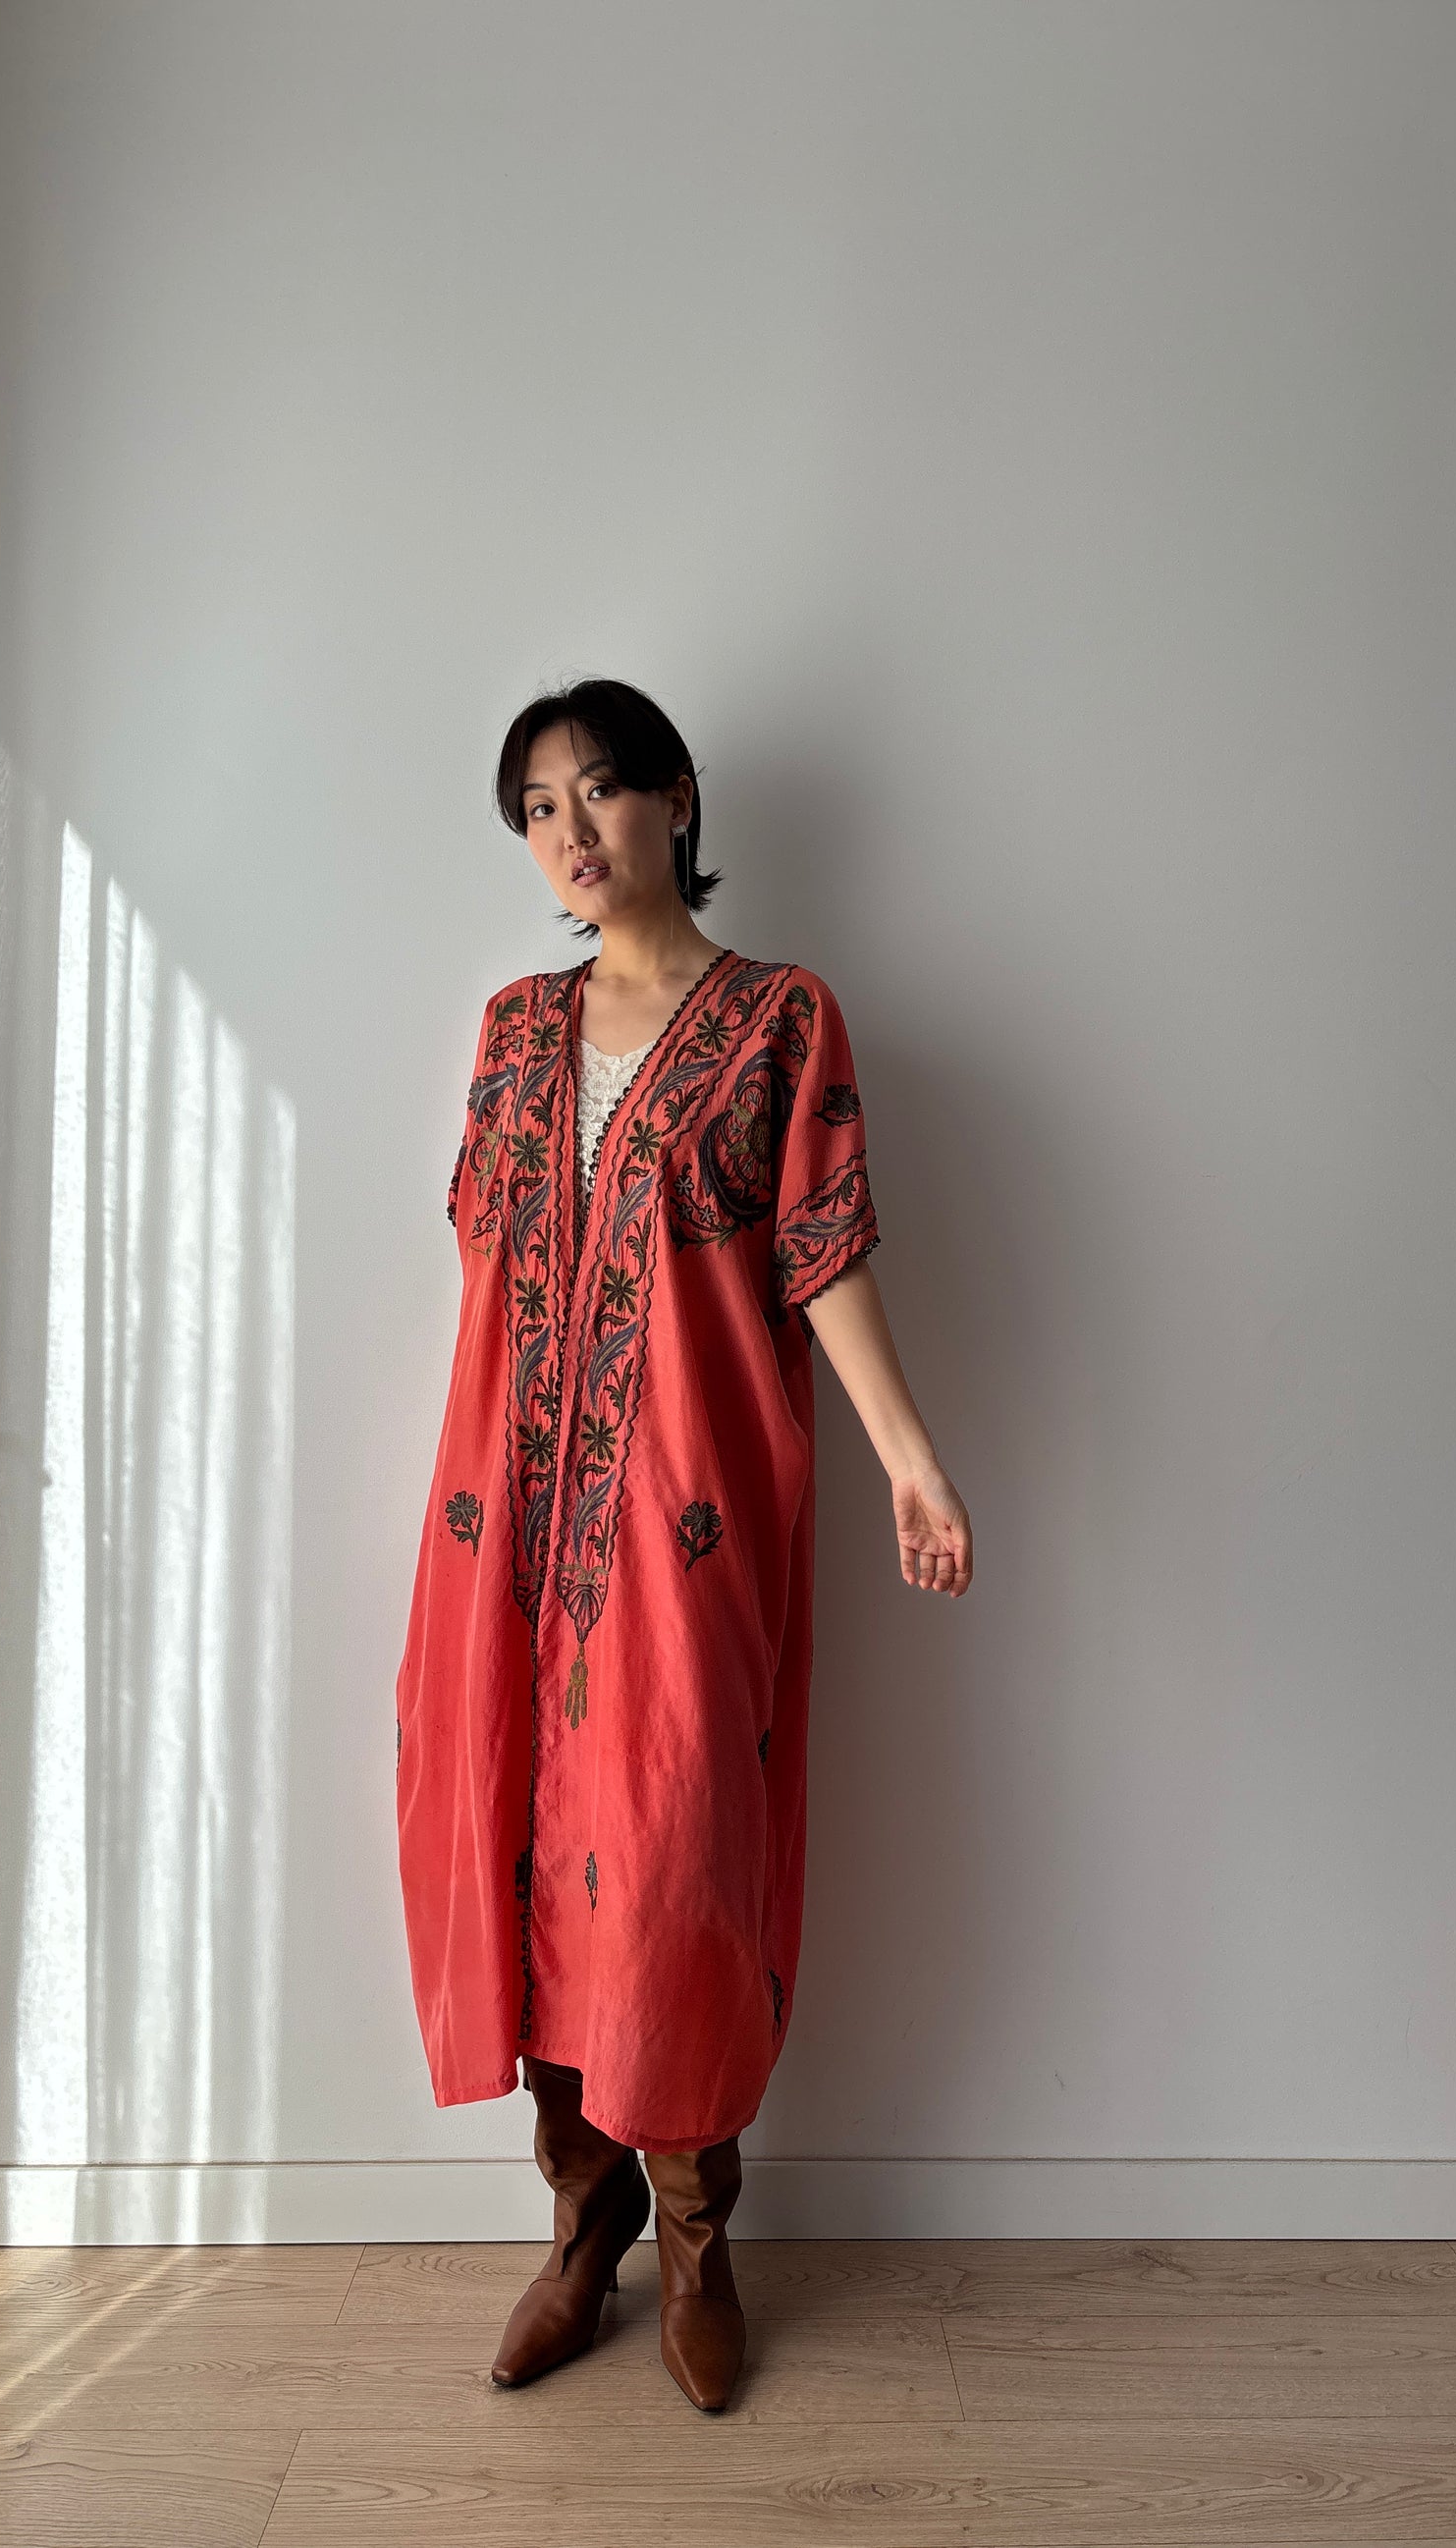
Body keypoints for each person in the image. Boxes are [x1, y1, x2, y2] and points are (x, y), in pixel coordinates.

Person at [395, 678, 973, 2412]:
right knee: (512, 1830)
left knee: (670, 1854)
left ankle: (698, 2238)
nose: (570, 832)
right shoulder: (512, 1030)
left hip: (691, 1515)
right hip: (506, 1512)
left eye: (599, 790)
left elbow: (819, 1251)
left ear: (678, 798)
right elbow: (497, 1263)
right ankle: (582, 2234)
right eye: (536, 809)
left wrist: (909, 1462)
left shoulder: (784, 1018)